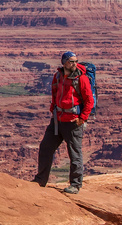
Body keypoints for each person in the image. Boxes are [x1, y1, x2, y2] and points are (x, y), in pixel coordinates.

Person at [33, 51, 93, 194]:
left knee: (74, 153)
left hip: (73, 122)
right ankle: (41, 180)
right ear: (64, 62)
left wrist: (82, 118)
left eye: (76, 61)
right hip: (57, 120)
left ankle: (75, 184)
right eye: (71, 61)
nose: (74, 64)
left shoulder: (81, 78)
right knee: (46, 148)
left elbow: (89, 101)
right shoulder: (58, 76)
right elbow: (55, 93)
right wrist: (53, 109)